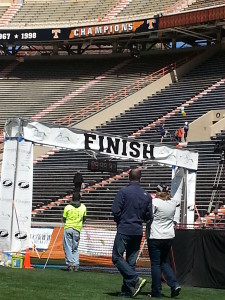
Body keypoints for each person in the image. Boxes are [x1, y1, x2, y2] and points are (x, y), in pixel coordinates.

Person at [112, 168, 153, 297]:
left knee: (117, 257)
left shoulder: (123, 192)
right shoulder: (146, 195)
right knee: (130, 261)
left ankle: (135, 280)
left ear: (128, 178)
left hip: (124, 229)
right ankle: (127, 290)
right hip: (137, 230)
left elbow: (115, 211)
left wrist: (120, 220)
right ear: (140, 179)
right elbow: (149, 216)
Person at [146, 184, 181, 298]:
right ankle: (174, 284)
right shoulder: (172, 202)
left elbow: (148, 215)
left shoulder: (155, 202)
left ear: (158, 192)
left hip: (155, 235)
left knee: (156, 264)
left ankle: (156, 291)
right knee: (164, 262)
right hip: (168, 236)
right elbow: (176, 202)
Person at [63, 192, 86, 271]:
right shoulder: (83, 207)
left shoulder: (67, 207)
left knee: (68, 246)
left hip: (68, 227)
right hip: (77, 229)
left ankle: (70, 264)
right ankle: (76, 264)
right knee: (75, 247)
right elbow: (84, 218)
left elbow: (64, 218)